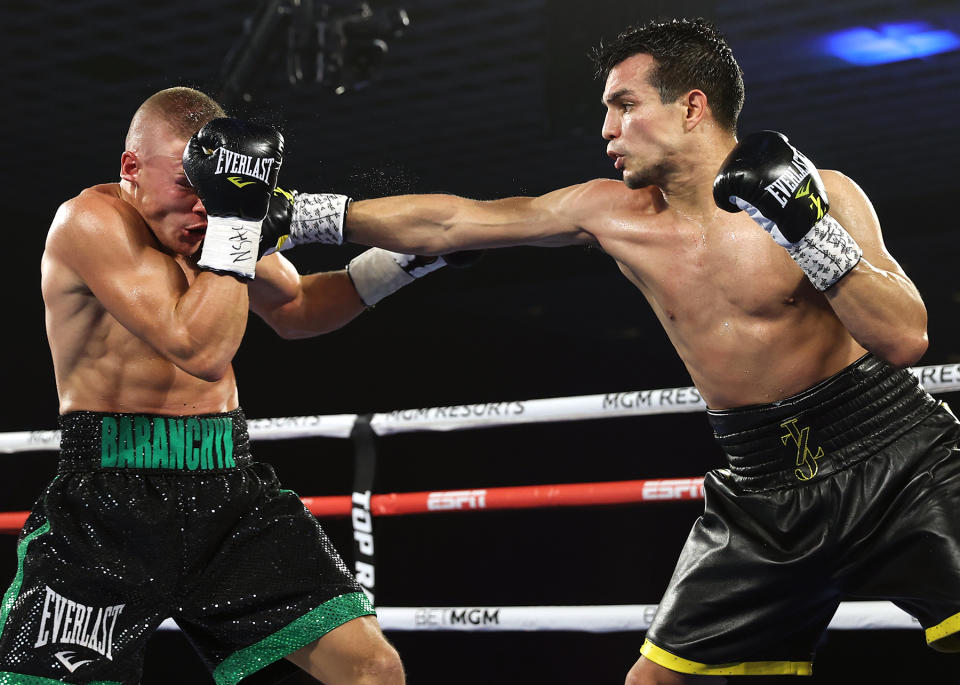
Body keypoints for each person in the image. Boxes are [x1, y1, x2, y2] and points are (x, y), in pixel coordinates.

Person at [263, 17, 960, 683]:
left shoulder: (823, 192)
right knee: (657, 679)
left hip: (898, 459)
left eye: (625, 105)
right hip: (763, 488)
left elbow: (904, 335)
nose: (606, 130)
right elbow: (454, 221)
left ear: (692, 107)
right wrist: (303, 212)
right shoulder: (610, 214)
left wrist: (807, 228)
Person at [3, 86, 460, 683]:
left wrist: (408, 263)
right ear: (131, 168)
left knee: (372, 669)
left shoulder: (216, 227)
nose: (203, 207)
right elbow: (199, 349)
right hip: (111, 497)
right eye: (187, 186)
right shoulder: (92, 221)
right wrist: (238, 221)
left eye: (214, 189)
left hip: (229, 489)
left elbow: (296, 307)